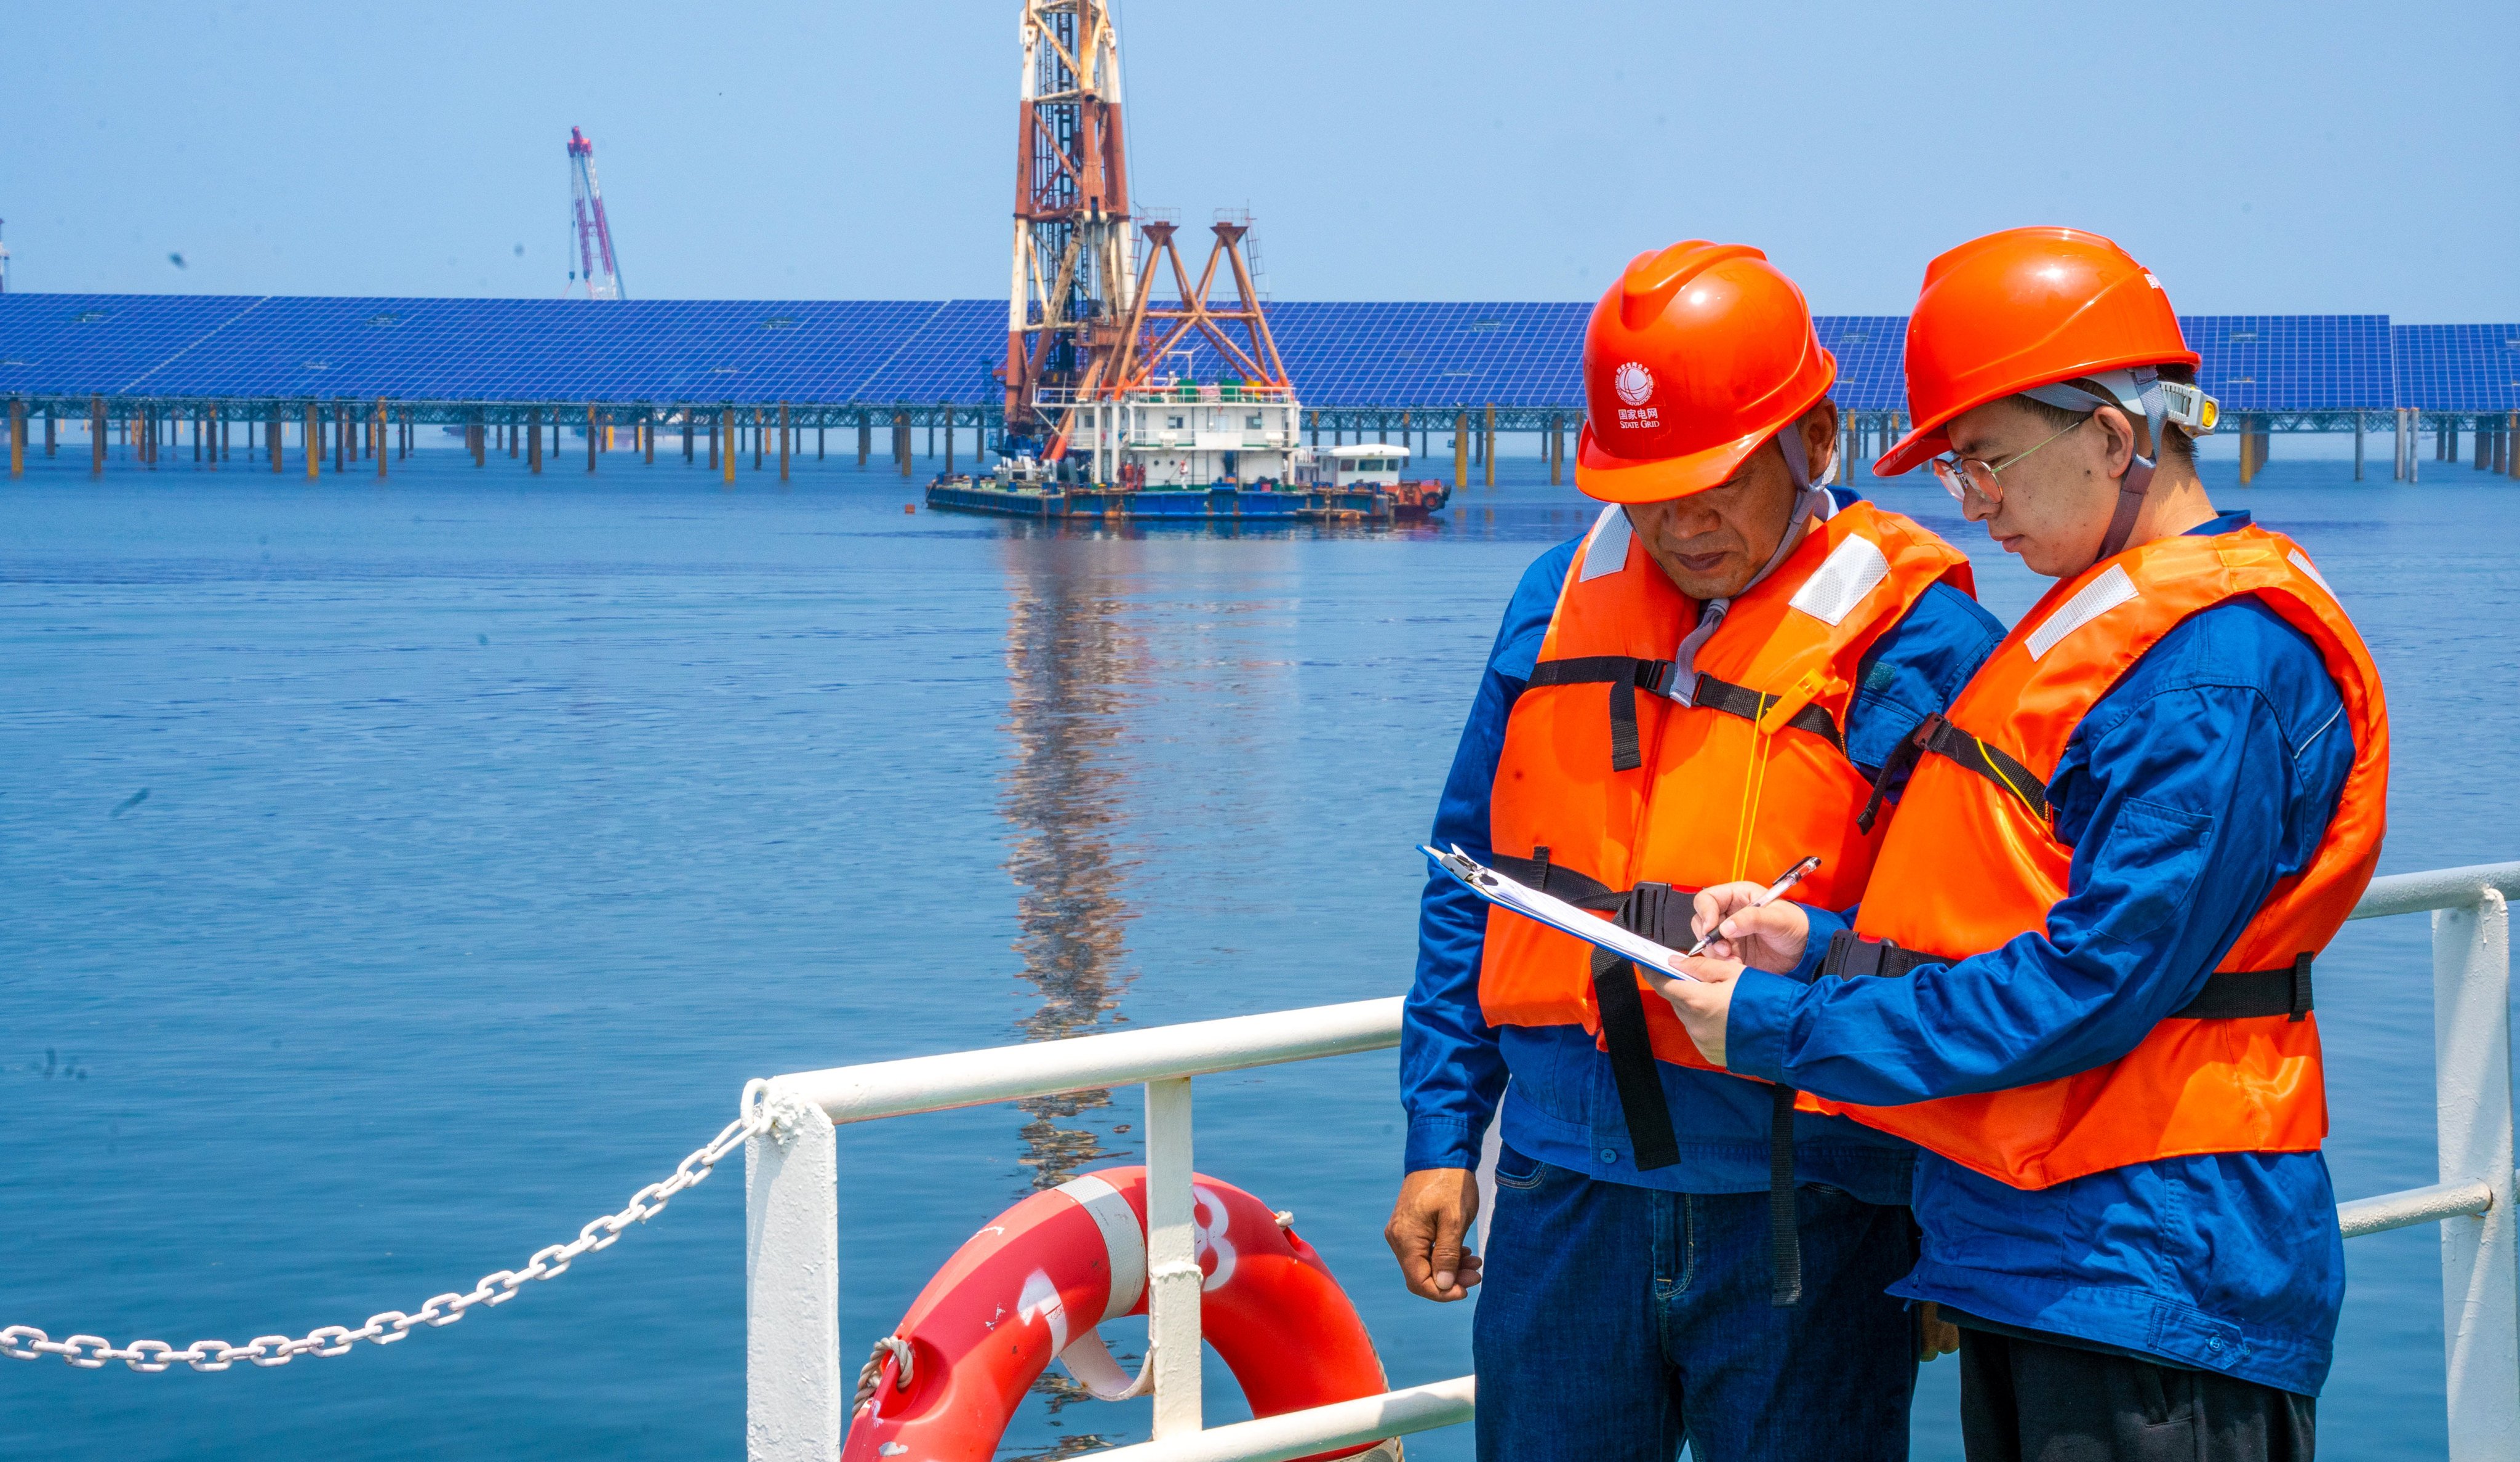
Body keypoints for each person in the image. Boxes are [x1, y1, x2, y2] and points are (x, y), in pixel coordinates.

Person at [1655, 227, 2389, 1462]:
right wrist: (1820, 951)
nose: (1973, 500)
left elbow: (2091, 984)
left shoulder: (2209, 678)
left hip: (2152, 1271)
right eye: (1954, 473)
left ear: (2114, 435)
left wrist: (1780, 1028)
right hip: (2043, 1250)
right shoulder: (2114, 630)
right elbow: (2024, 923)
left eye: (1986, 459)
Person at [1390, 239, 2003, 1460]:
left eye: (1714, 477)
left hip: (1807, 1215)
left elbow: (1971, 956)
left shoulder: (1926, 643)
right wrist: (1439, 1139)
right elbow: (1470, 875)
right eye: (1644, 485)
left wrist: (1954, 1220)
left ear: (1813, 441)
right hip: (1563, 1201)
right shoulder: (1547, 601)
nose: (1679, 519)